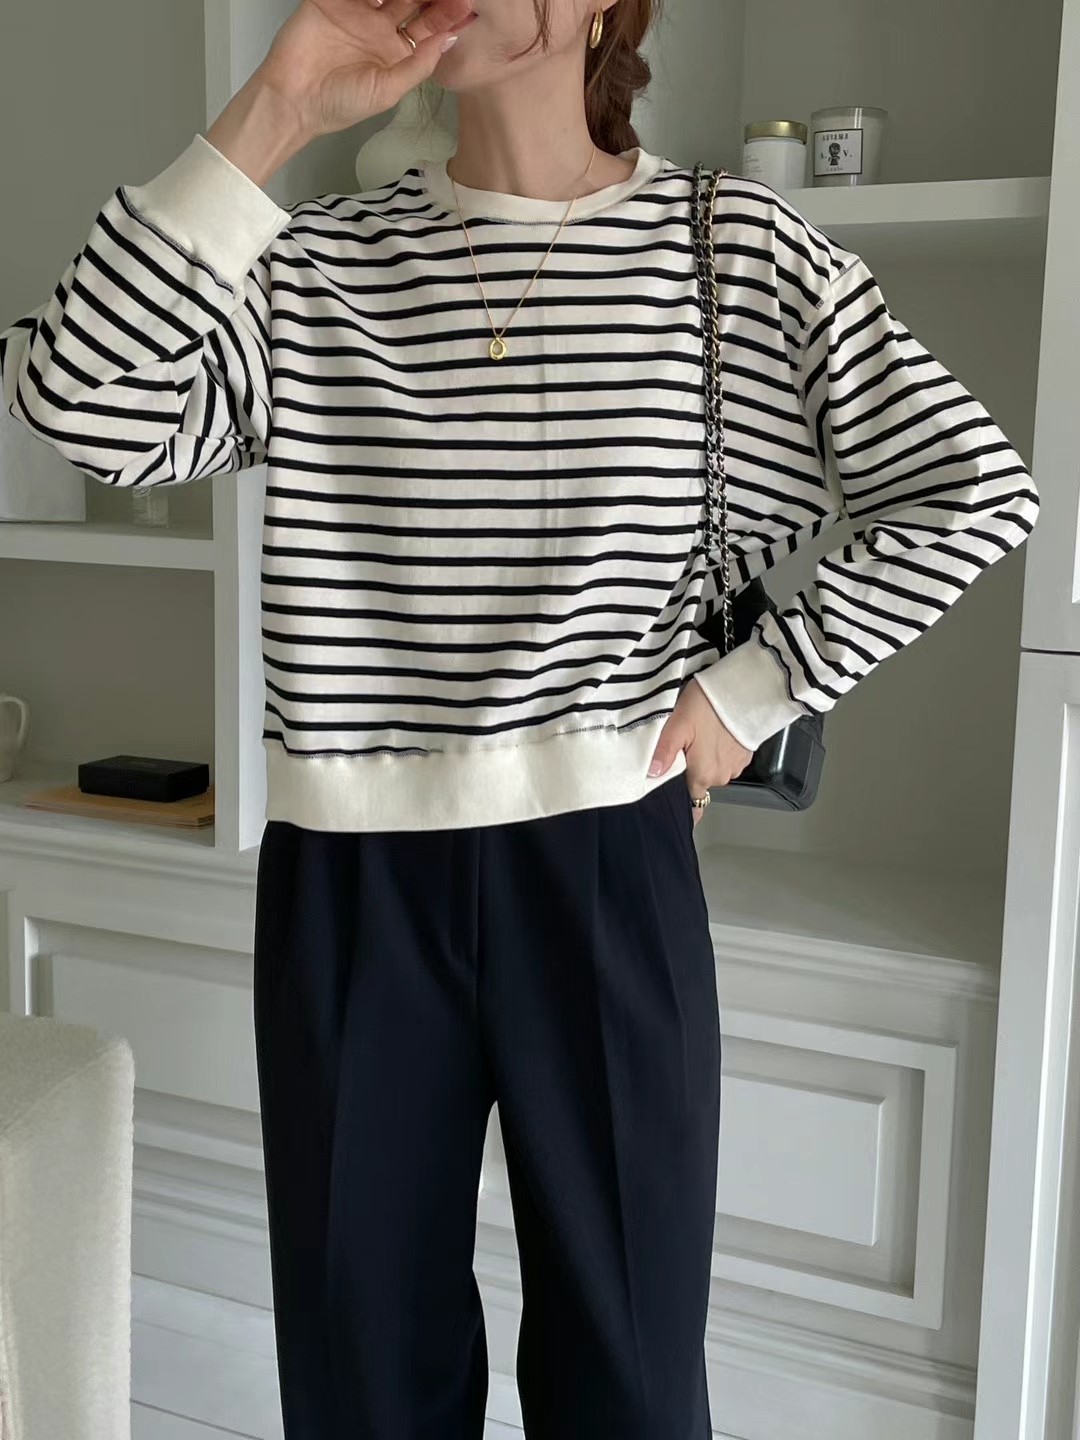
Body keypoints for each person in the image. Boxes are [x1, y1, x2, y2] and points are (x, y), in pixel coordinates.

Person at [0, 0, 1041, 1435]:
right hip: (353, 880)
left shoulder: (732, 253)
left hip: (606, 865)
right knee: (363, 1377)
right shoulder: (314, 268)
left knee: (630, 1377)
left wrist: (751, 691)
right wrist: (278, 108)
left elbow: (974, 492)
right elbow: (71, 403)